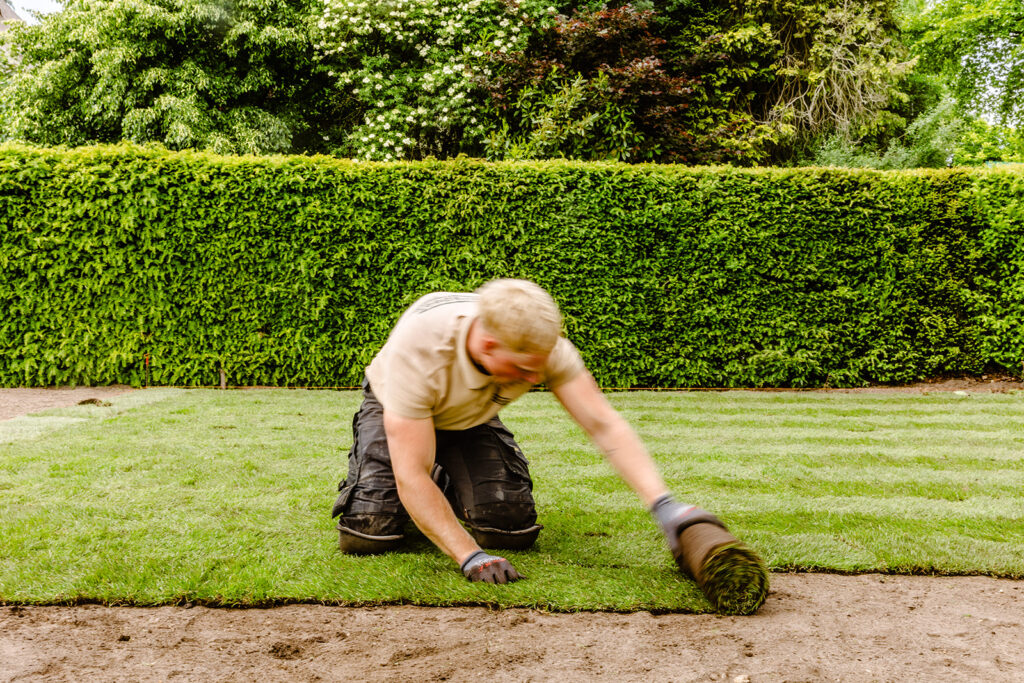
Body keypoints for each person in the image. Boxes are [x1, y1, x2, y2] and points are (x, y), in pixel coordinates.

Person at [331, 279, 724, 583]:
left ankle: (446, 484)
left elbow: (603, 424)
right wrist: (470, 556)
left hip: (469, 416)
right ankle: (389, 482)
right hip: (396, 405)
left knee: (509, 530)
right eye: (523, 369)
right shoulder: (420, 353)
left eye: (539, 367)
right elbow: (410, 473)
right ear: (488, 345)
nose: (534, 379)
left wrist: (664, 505)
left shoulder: (539, 348)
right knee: (369, 535)